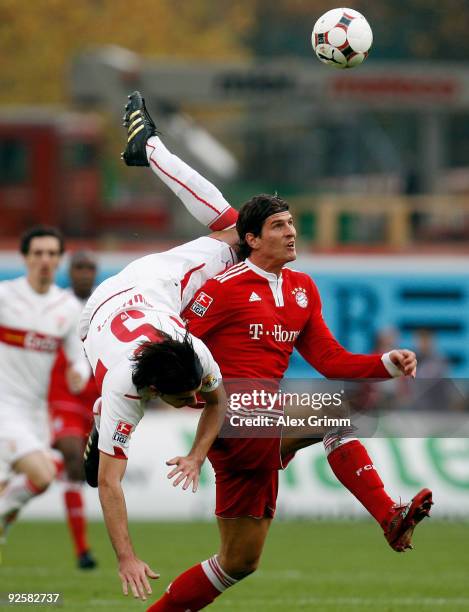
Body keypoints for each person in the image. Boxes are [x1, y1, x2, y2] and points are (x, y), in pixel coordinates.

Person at [120, 92, 433, 610]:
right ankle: (389, 516)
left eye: (292, 224)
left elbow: (331, 361)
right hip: (232, 414)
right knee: (336, 413)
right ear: (250, 238)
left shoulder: (304, 289)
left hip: (261, 425)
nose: (292, 233)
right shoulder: (223, 288)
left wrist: (383, 364)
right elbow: (179, 346)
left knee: (238, 563)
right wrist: (169, 396)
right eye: (279, 227)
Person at [79, 138, 239, 598]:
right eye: (181, 399)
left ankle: (147, 147)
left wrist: (196, 454)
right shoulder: (124, 390)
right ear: (151, 389)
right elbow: (109, 484)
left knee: (237, 230)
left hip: (154, 284)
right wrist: (126, 557)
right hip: (98, 317)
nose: (192, 401)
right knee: (108, 443)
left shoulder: (195, 352)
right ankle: (148, 148)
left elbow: (216, 400)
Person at [0, 227, 90, 542]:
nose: (45, 260)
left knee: (21, 485)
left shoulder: (66, 307)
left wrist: (80, 372)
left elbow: (78, 356)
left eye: (52, 254)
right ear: (25, 257)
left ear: (59, 259)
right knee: (44, 474)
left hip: (35, 413)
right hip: (3, 407)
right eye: (38, 253)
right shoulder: (6, 296)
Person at [48, 250, 99, 569]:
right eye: (78, 267)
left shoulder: (102, 307)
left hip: (93, 401)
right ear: (70, 272)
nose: (84, 273)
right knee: (71, 457)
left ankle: (82, 551)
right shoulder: (56, 307)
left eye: (89, 268)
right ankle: (82, 550)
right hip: (61, 396)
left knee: (75, 473)